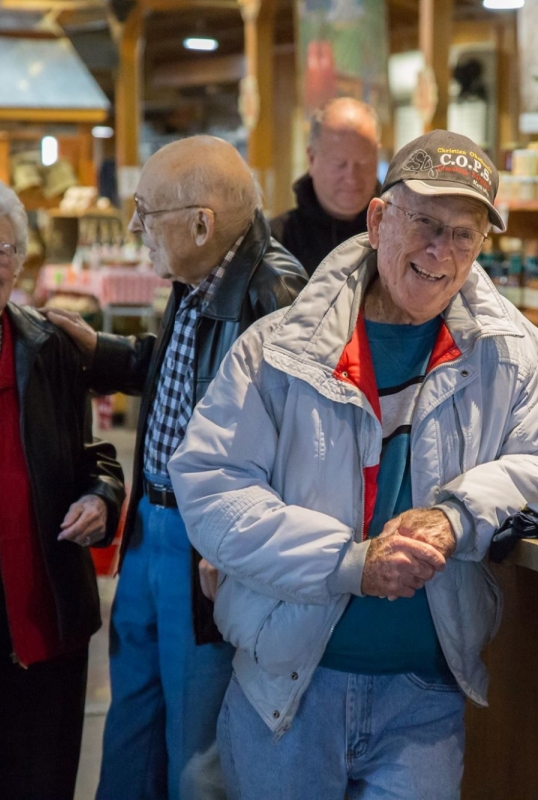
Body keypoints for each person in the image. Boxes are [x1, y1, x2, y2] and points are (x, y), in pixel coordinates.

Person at [169, 130, 538, 799]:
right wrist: (348, 562)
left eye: (464, 234)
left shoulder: (512, 352)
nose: (440, 251)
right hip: (285, 692)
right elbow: (212, 488)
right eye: (424, 223)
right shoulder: (278, 349)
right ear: (377, 218)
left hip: (423, 702)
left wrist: (458, 515)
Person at [45, 135, 307, 800]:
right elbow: (176, 371)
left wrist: (243, 545)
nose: (134, 228)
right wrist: (99, 350)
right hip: (151, 527)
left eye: (146, 212)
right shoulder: (196, 275)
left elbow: (301, 439)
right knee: (132, 715)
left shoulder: (274, 291)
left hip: (208, 542)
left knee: (195, 738)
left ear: (201, 221)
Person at [0, 181, 125, 800]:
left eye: (0, 248)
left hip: (47, 623)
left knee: (44, 782)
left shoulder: (46, 347)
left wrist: (100, 497)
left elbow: (95, 456)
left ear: (20, 260)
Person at [270, 96, 380, 276]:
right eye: (339, 164)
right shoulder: (276, 243)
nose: (351, 177)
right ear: (312, 159)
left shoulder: (398, 231)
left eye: (363, 162)